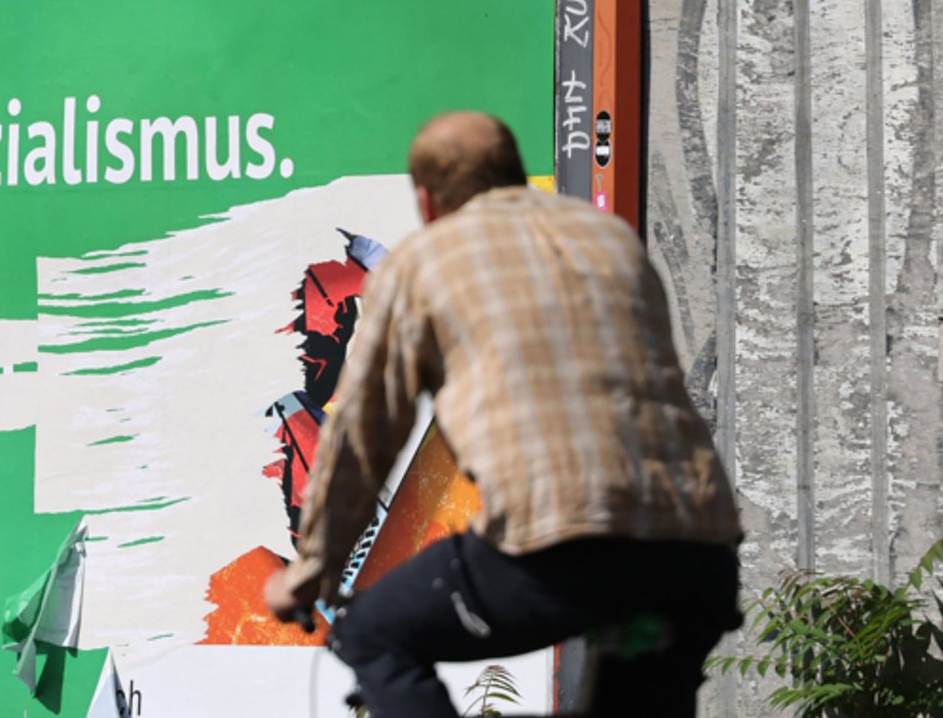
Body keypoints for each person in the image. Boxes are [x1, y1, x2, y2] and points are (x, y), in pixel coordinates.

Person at [263, 111, 742, 717]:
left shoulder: (422, 266)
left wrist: (308, 574)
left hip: (568, 547)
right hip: (695, 550)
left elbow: (364, 437)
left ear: (427, 202)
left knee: (373, 633)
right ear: (514, 173)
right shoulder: (608, 240)